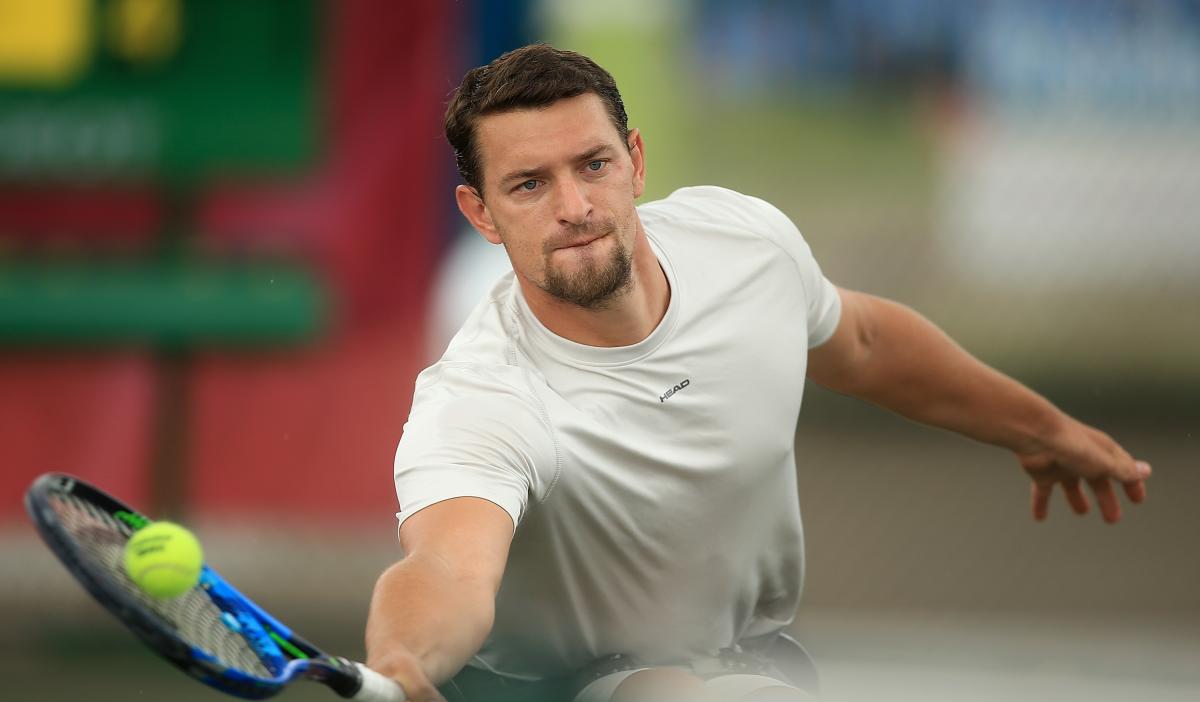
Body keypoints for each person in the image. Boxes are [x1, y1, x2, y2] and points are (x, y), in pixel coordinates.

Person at [364, 44, 1151, 702]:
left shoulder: (745, 244)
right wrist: (402, 660)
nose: (573, 205)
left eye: (593, 164)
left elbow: (867, 344)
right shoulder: (477, 400)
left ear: (634, 162)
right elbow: (446, 568)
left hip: (745, 663)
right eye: (529, 184)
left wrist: (1044, 430)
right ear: (480, 213)